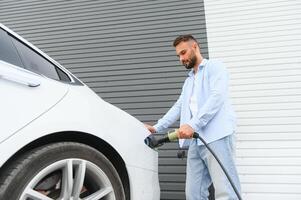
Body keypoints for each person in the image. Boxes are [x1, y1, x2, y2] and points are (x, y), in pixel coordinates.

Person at [144, 34, 241, 200]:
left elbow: (216, 97)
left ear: (195, 47)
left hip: (217, 136)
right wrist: (157, 127)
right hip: (196, 142)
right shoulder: (188, 81)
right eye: (178, 56)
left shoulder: (215, 67)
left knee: (226, 191)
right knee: (193, 193)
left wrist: (192, 125)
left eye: (183, 53)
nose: (181, 59)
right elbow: (179, 107)